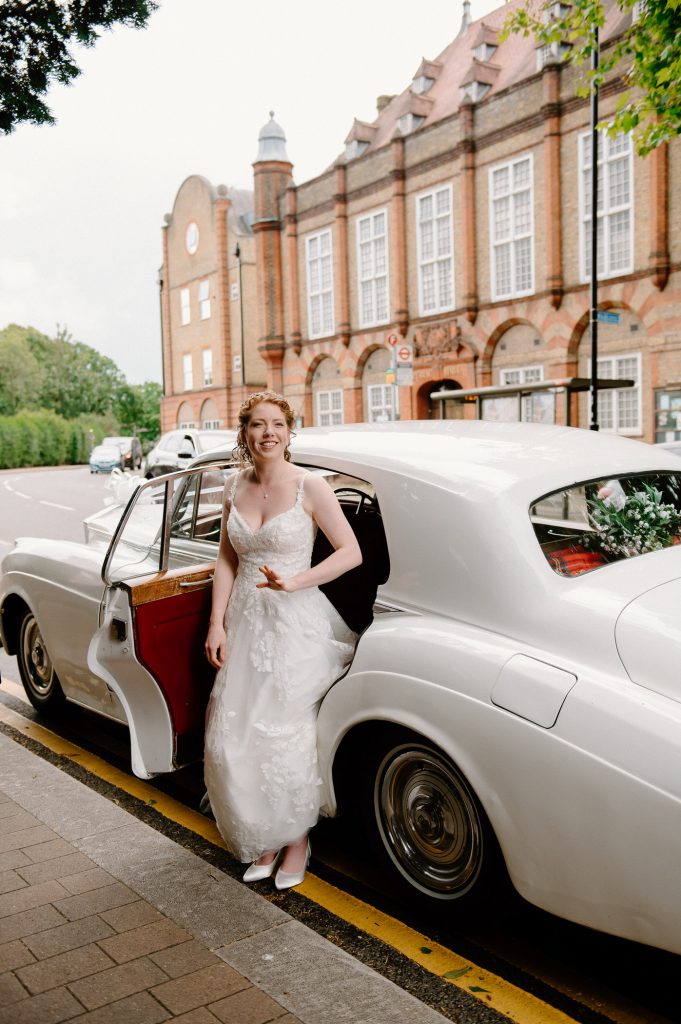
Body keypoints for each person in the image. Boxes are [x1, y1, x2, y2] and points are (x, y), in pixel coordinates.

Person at [203, 392, 362, 890]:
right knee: (241, 731)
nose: (267, 432)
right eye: (257, 424)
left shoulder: (310, 486)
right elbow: (228, 560)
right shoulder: (235, 484)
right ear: (244, 433)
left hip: (295, 621)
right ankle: (266, 834)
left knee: (286, 730)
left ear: (290, 432)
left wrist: (296, 581)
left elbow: (350, 552)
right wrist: (216, 623)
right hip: (246, 621)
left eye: (276, 424)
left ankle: (297, 838)